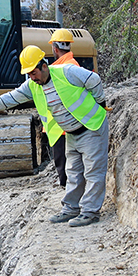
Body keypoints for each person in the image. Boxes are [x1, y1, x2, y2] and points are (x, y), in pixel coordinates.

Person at [0, 45, 110, 227]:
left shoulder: (66, 72)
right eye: (28, 74)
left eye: (34, 72)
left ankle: (90, 212)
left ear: (43, 66)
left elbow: (94, 79)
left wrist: (100, 102)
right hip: (71, 134)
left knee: (93, 172)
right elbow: (12, 98)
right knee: (73, 173)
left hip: (91, 127)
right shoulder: (32, 85)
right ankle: (71, 209)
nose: (32, 77)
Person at [47, 28, 77, 187]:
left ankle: (67, 187)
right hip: (65, 122)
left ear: (55, 48)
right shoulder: (70, 64)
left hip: (61, 124)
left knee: (64, 159)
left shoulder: (60, 69)